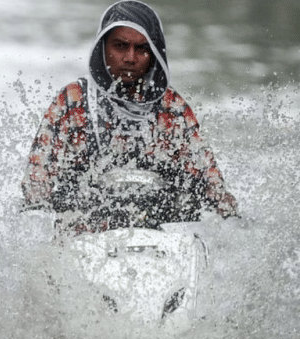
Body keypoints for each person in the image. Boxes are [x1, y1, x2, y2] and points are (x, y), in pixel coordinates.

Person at [22, 0, 237, 235]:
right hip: (82, 238)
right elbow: (37, 178)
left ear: (155, 54)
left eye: (142, 49)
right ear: (102, 47)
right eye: (120, 46)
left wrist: (230, 217)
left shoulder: (172, 109)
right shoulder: (73, 102)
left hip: (159, 240)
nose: (130, 58)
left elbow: (209, 180)